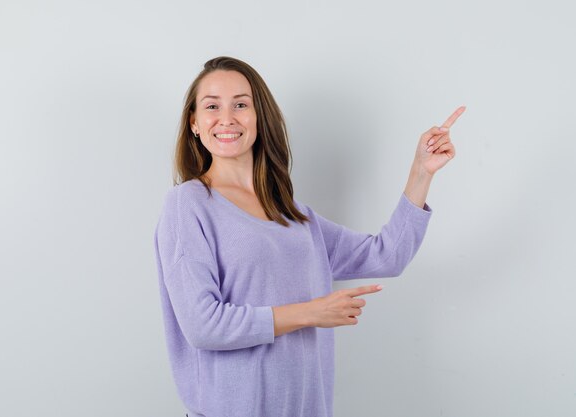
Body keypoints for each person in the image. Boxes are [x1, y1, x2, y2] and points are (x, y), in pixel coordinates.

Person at [154, 56, 465, 417]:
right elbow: (203, 326)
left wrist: (421, 172)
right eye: (212, 106)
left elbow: (386, 256)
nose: (227, 118)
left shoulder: (293, 215)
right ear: (194, 122)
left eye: (241, 104)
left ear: (259, 117)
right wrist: (312, 312)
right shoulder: (187, 205)